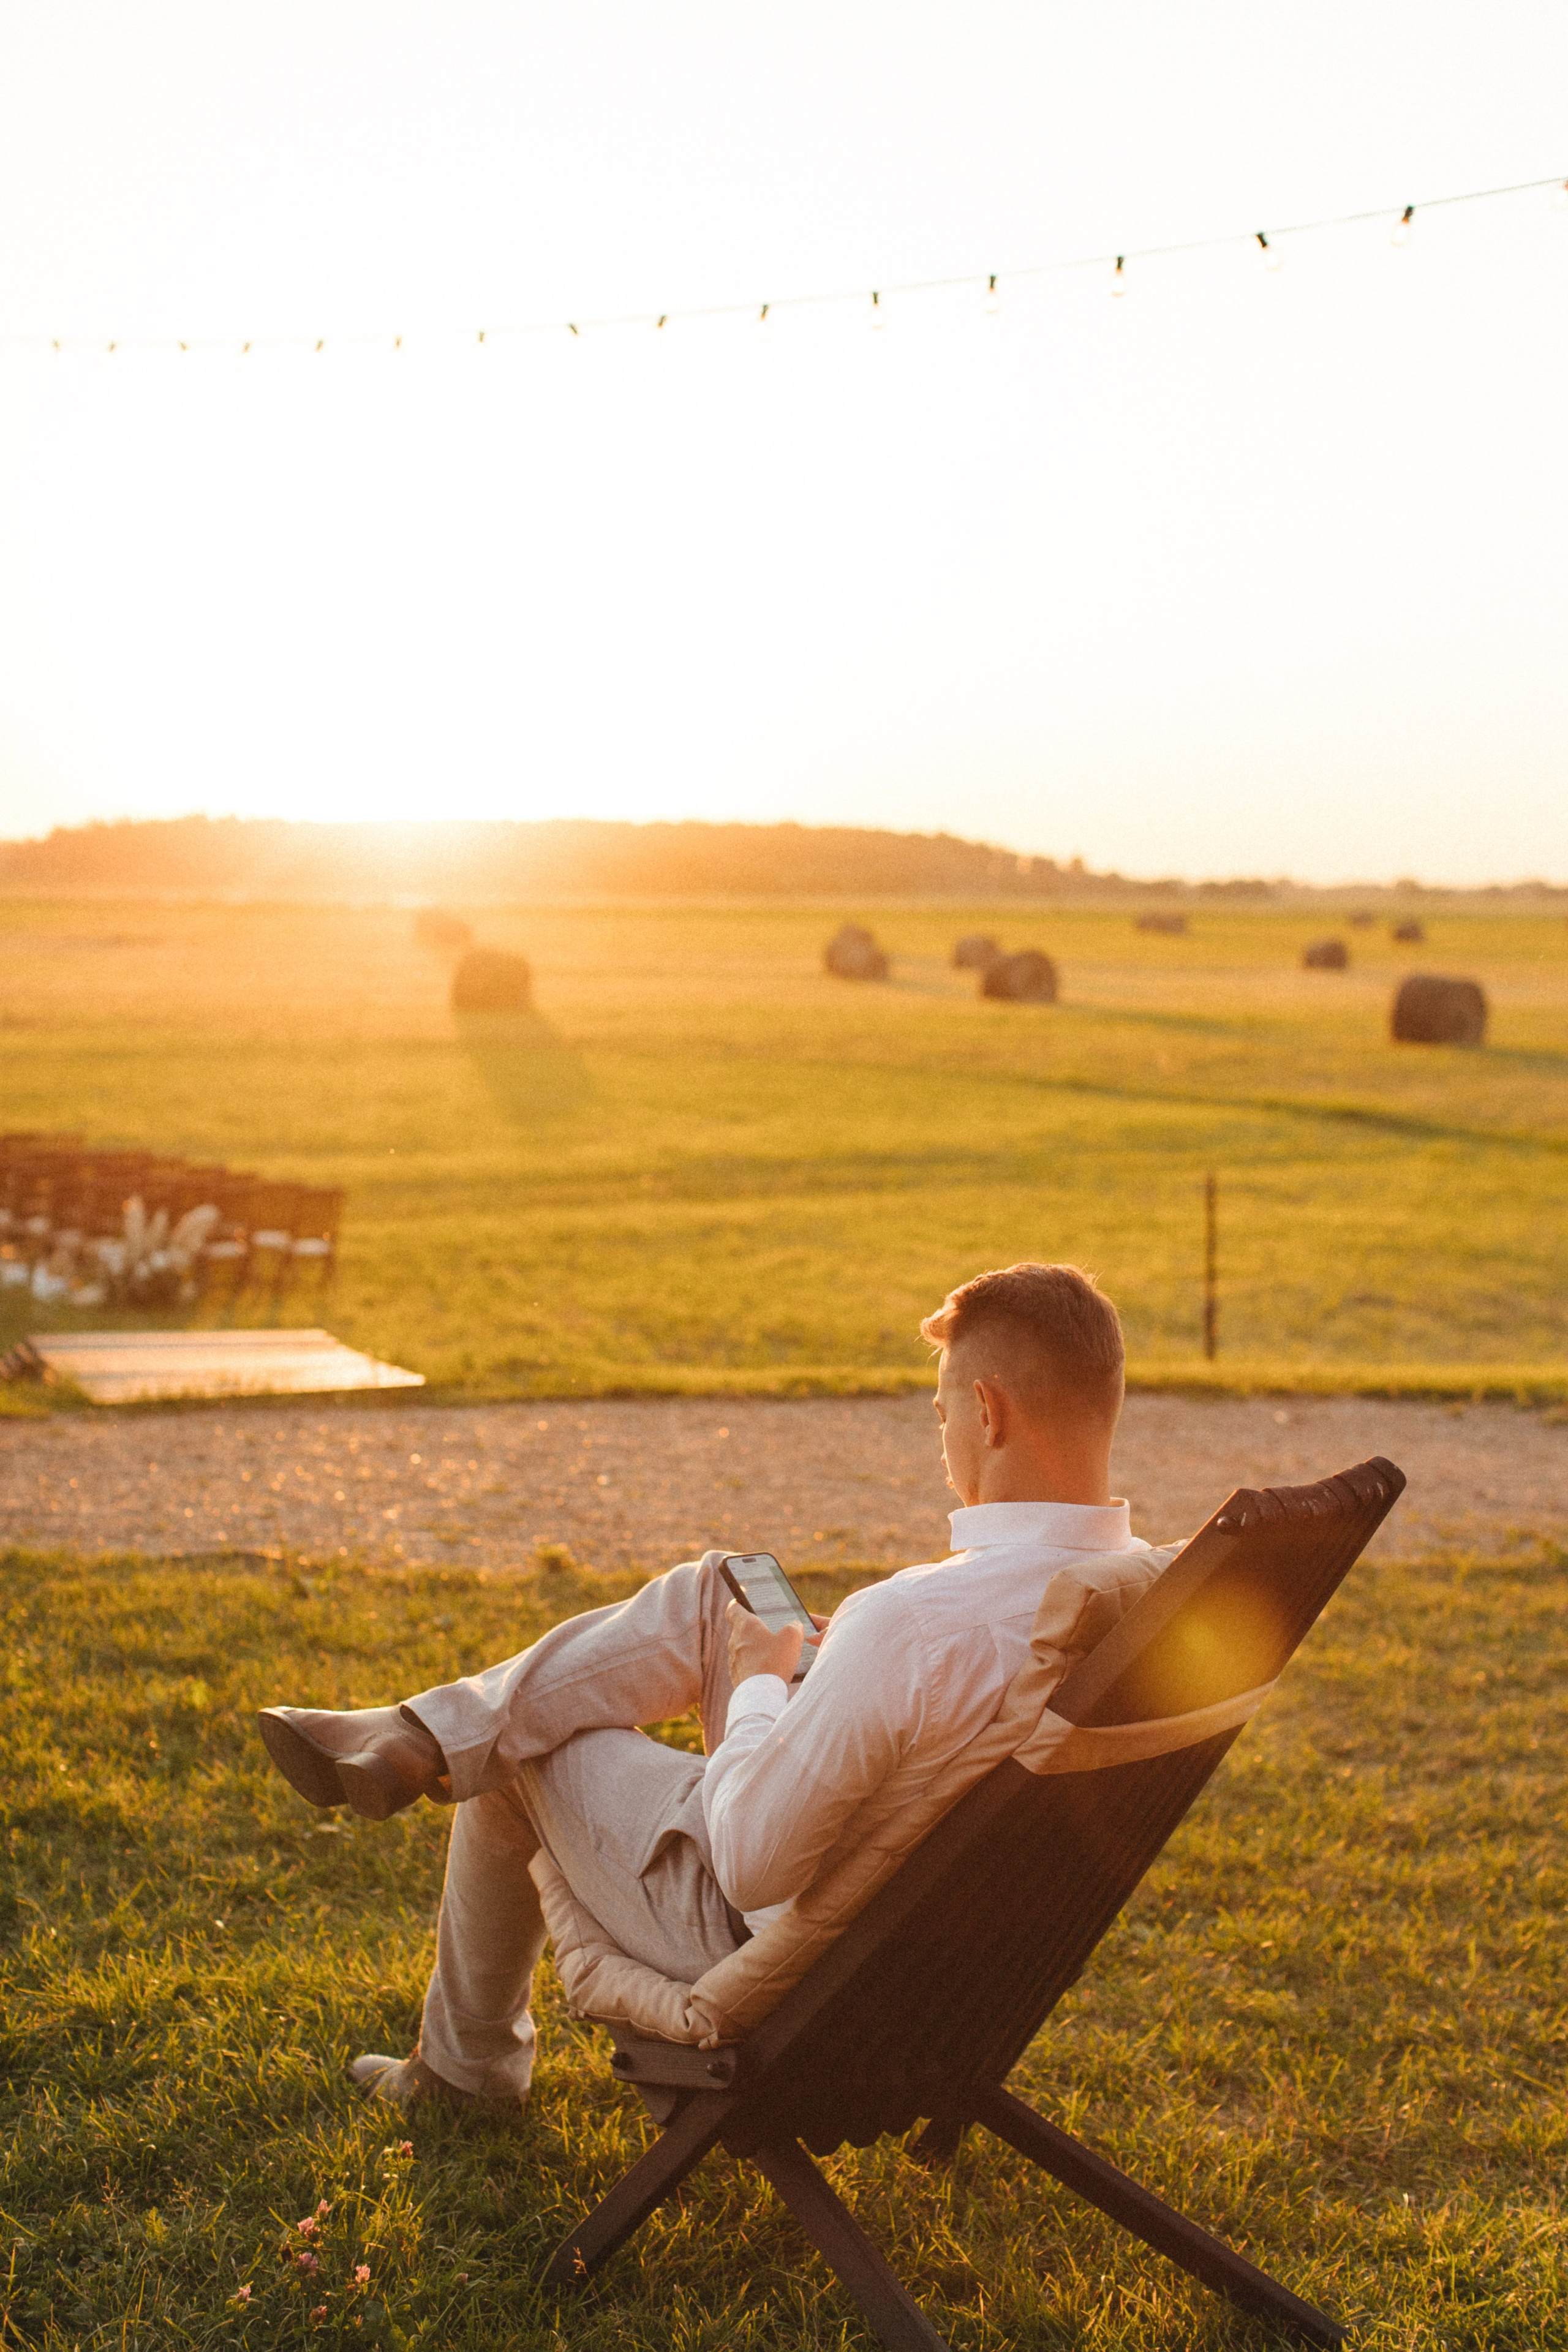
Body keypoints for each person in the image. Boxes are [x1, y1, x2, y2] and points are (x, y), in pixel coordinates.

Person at [257, 1260, 1141, 2113]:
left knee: (525, 1742)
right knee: (718, 1589)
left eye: (941, 1411)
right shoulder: (1145, 1592)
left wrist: (764, 1682)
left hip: (786, 1941)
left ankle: (461, 2067)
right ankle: (417, 1732)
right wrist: (831, 1671)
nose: (944, 1436)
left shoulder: (913, 1621)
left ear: (986, 1414)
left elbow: (755, 1868)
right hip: (947, 1948)